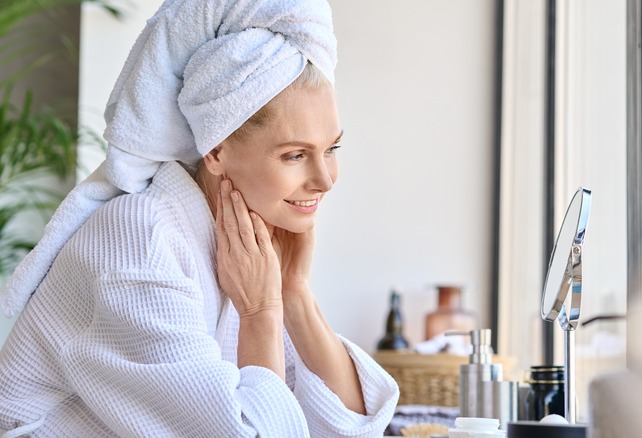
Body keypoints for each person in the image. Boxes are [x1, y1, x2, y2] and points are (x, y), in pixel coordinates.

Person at [0, 0, 399, 436]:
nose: (325, 180)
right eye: (295, 155)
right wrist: (260, 311)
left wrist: (293, 293)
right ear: (216, 151)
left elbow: (349, 426)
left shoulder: (243, 245)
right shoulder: (140, 239)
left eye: (332, 149)